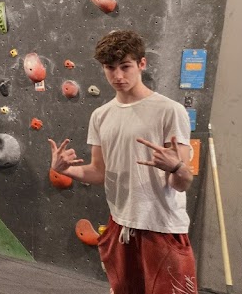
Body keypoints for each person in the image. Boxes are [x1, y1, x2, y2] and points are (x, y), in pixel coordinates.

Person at [49, 30, 197, 294]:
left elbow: (182, 183)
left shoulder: (170, 111)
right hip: (121, 224)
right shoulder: (101, 115)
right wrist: (66, 169)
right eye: (110, 68)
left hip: (162, 226)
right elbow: (98, 172)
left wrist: (175, 167)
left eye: (125, 66)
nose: (118, 76)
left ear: (142, 64)